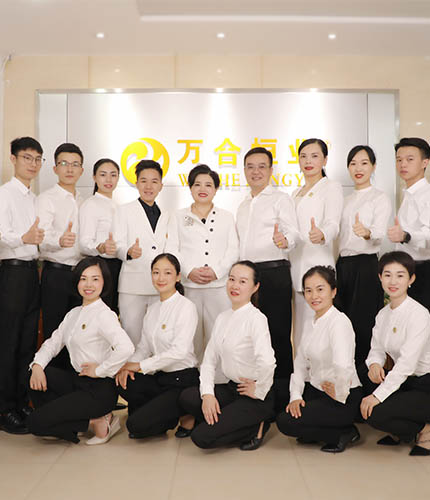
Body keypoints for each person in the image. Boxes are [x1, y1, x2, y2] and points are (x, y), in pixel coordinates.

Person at [27, 256, 134, 444]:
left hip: (99, 390)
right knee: (35, 375)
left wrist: (99, 370)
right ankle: (80, 422)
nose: (88, 284)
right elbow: (52, 344)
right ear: (77, 282)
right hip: (78, 380)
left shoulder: (104, 314)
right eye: (83, 279)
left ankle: (97, 422)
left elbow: (126, 348)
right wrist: (37, 366)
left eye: (95, 279)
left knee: (35, 423)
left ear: (104, 282)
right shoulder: (73, 314)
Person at [179, 261, 276, 451]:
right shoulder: (223, 317)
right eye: (231, 279)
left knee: (201, 437)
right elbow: (209, 361)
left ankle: (256, 426)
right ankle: (230, 418)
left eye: (242, 281)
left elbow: (268, 362)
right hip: (233, 389)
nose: (235, 286)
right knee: (187, 397)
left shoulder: (257, 319)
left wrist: (260, 389)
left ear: (255, 287)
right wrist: (208, 395)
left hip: (253, 395)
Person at [236, 147, 298, 409]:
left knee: (278, 337)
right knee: (252, 337)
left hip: (274, 272)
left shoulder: (281, 199)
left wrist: (285, 240)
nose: (256, 171)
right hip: (248, 276)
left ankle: (281, 399)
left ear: (271, 170)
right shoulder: (243, 205)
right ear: (244, 171)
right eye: (250, 166)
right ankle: (256, 396)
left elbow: (293, 233)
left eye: (262, 166)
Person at [276, 265, 362, 453]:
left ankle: (344, 433)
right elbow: (299, 364)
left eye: (320, 289)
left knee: (285, 422)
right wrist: (296, 397)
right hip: (318, 390)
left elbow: (343, 365)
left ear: (333, 291)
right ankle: (321, 429)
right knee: (283, 400)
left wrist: (340, 392)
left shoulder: (339, 322)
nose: (314, 296)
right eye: (308, 290)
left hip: (342, 397)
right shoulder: (310, 322)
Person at [116, 253, 199, 439]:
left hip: (182, 380)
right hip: (161, 378)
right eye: (156, 272)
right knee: (123, 381)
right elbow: (144, 348)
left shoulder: (186, 307)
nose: (161, 278)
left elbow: (179, 352)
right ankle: (163, 413)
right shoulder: (153, 310)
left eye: (167, 273)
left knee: (134, 425)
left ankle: (181, 414)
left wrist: (140, 366)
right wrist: (128, 366)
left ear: (178, 276)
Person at [360, 251, 430, 456]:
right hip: (405, 381)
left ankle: (424, 429)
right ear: (380, 277)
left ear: (411, 279)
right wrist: (374, 364)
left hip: (424, 383)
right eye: (387, 275)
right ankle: (403, 428)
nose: (393, 281)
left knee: (374, 411)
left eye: (400, 275)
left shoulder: (419, 314)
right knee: (362, 391)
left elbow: (407, 364)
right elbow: (376, 349)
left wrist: (377, 396)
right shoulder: (383, 314)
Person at [166, 164, 239, 362]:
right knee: (190, 336)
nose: (202, 189)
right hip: (190, 287)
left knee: (219, 336)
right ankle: (192, 375)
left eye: (208, 185)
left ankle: (219, 377)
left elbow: (233, 250)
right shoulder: (178, 216)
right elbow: (172, 248)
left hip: (219, 287)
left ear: (216, 189)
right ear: (190, 188)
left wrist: (217, 271)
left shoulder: (226, 217)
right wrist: (189, 271)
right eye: (197, 184)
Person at [0, 137, 45, 434]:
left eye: (37, 159)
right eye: (27, 157)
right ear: (13, 159)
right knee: (9, 342)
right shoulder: (4, 194)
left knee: (28, 340)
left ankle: (20, 403)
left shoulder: (33, 197)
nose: (33, 164)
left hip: (31, 272)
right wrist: (23, 239)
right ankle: (5, 409)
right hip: (12, 272)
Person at [336, 145, 392, 365]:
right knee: (342, 321)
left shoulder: (379, 197)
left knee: (363, 323)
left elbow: (379, 234)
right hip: (343, 265)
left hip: (366, 265)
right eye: (353, 164)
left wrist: (367, 232)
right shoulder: (344, 200)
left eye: (364, 163)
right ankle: (346, 373)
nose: (358, 168)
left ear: (373, 166)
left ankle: (366, 373)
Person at [289, 138, 343, 348]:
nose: (308, 161)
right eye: (303, 156)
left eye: (314, 156)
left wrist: (323, 234)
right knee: (299, 331)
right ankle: (300, 368)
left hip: (318, 265)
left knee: (319, 328)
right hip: (296, 266)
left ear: (325, 160)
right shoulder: (295, 193)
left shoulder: (331, 187)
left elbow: (333, 223)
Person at [37, 142, 84, 368]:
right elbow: (40, 237)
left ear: (82, 170)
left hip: (81, 276)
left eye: (75, 164)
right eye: (64, 163)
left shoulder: (85, 201)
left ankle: (74, 384)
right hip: (56, 274)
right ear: (55, 168)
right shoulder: (46, 199)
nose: (70, 169)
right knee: (55, 331)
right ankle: (54, 383)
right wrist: (59, 240)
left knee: (78, 334)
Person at [114, 160, 170, 346]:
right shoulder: (123, 210)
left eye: (154, 181)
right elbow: (117, 244)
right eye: (144, 181)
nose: (149, 186)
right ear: (136, 183)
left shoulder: (166, 214)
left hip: (160, 286)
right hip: (133, 286)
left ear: (161, 185)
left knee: (157, 337)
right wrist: (128, 251)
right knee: (131, 336)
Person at [387, 137, 430, 311]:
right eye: (399, 160)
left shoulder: (426, 194)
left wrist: (405, 236)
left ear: (425, 162)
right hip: (407, 268)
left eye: (409, 159)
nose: (403, 164)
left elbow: (428, 235)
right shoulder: (409, 194)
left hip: (423, 270)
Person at [79, 158, 121, 314]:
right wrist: (100, 247)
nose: (108, 180)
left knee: (112, 314)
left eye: (113, 175)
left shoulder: (118, 206)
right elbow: (84, 243)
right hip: (101, 267)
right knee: (99, 314)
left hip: (117, 266)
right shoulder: (91, 204)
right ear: (94, 177)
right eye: (103, 175)